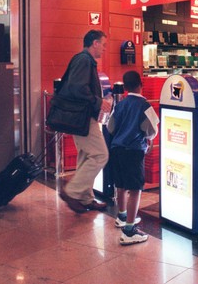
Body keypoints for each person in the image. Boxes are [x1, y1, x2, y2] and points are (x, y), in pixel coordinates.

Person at [58, 29, 112, 213]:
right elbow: (77, 88)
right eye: (103, 44)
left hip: (81, 116)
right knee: (100, 155)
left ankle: (86, 198)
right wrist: (99, 102)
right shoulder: (83, 60)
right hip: (82, 117)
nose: (104, 49)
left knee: (86, 155)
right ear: (95, 43)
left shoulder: (84, 60)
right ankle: (72, 192)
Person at [107, 71, 159, 245]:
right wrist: (148, 138)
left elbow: (110, 126)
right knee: (135, 188)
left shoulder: (120, 104)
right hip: (134, 150)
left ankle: (122, 216)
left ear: (126, 86)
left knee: (120, 185)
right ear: (140, 84)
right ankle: (129, 230)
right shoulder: (144, 105)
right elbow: (151, 130)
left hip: (117, 148)